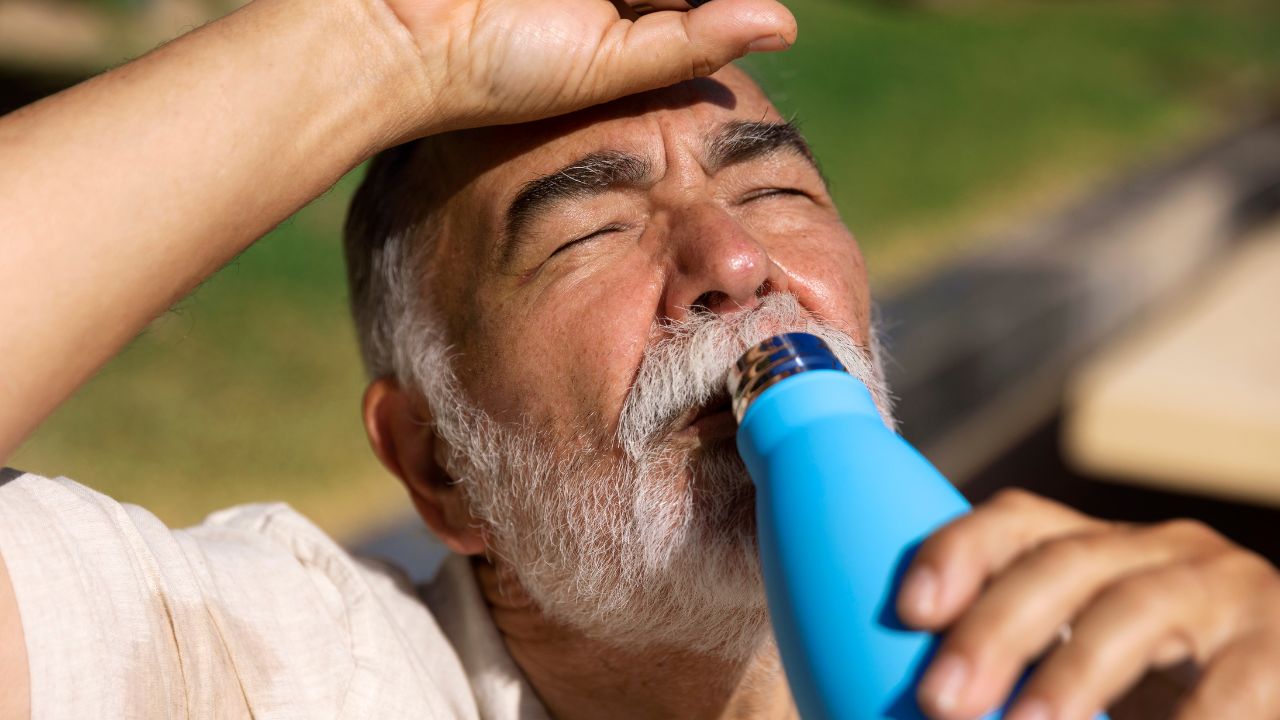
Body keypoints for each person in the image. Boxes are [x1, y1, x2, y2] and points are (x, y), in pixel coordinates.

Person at [0, 0, 1277, 717]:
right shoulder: (293, 672)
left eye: (777, 193)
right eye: (590, 231)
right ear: (438, 466)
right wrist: (384, 43)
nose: (731, 260)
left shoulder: (1105, 665)